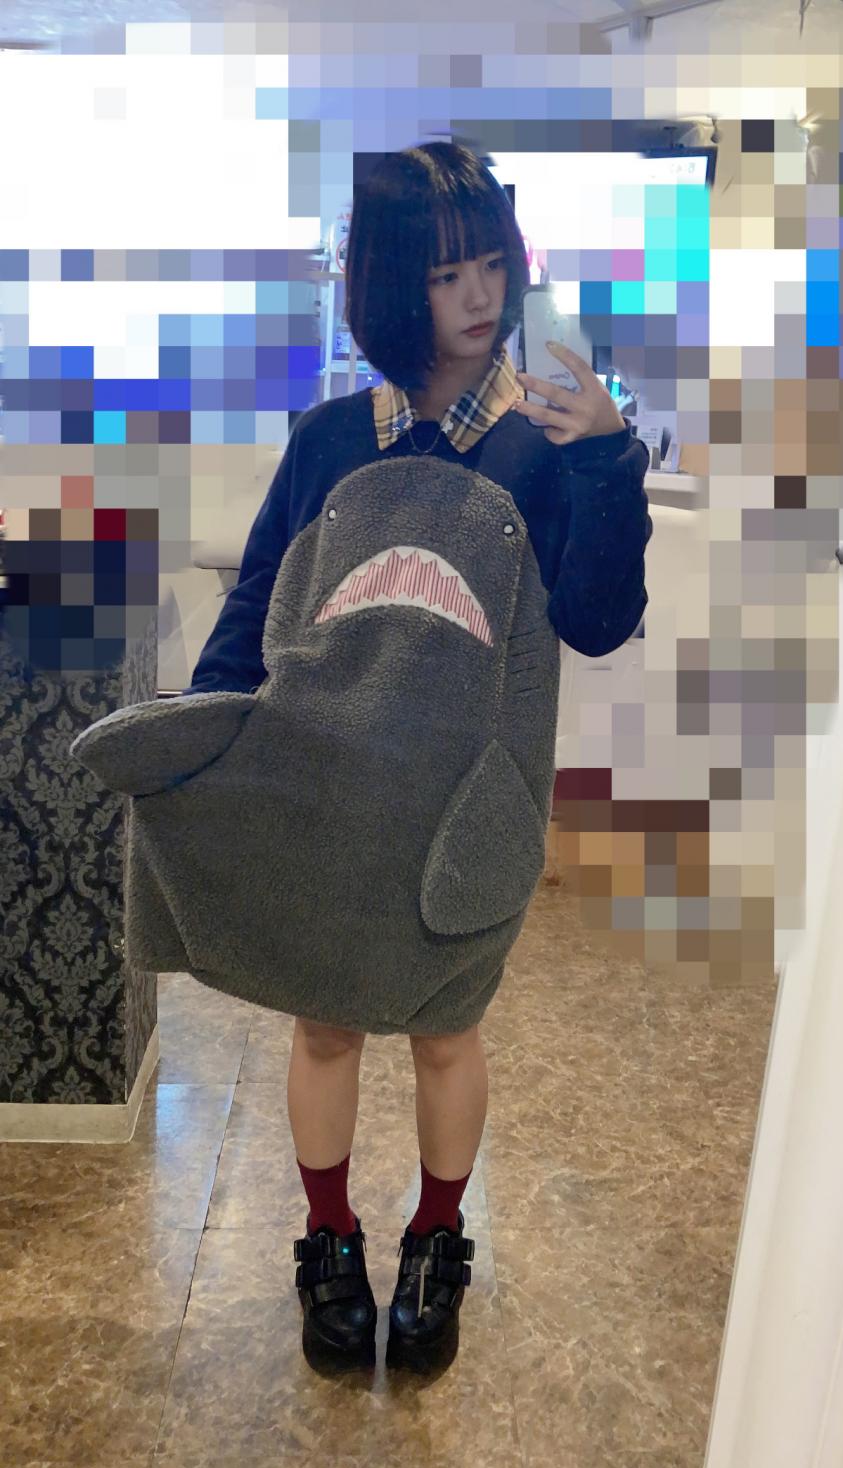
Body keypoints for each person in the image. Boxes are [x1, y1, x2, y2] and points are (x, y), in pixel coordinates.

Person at [72, 140, 652, 1372]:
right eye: (446, 274)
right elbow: (255, 610)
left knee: (447, 1033)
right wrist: (208, 737)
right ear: (393, 285)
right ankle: (328, 1235)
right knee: (327, 1027)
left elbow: (600, 620)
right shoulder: (330, 439)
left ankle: (438, 1238)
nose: (479, 296)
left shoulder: (547, 445)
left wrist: (609, 458)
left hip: (470, 811)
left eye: (491, 263)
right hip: (327, 796)